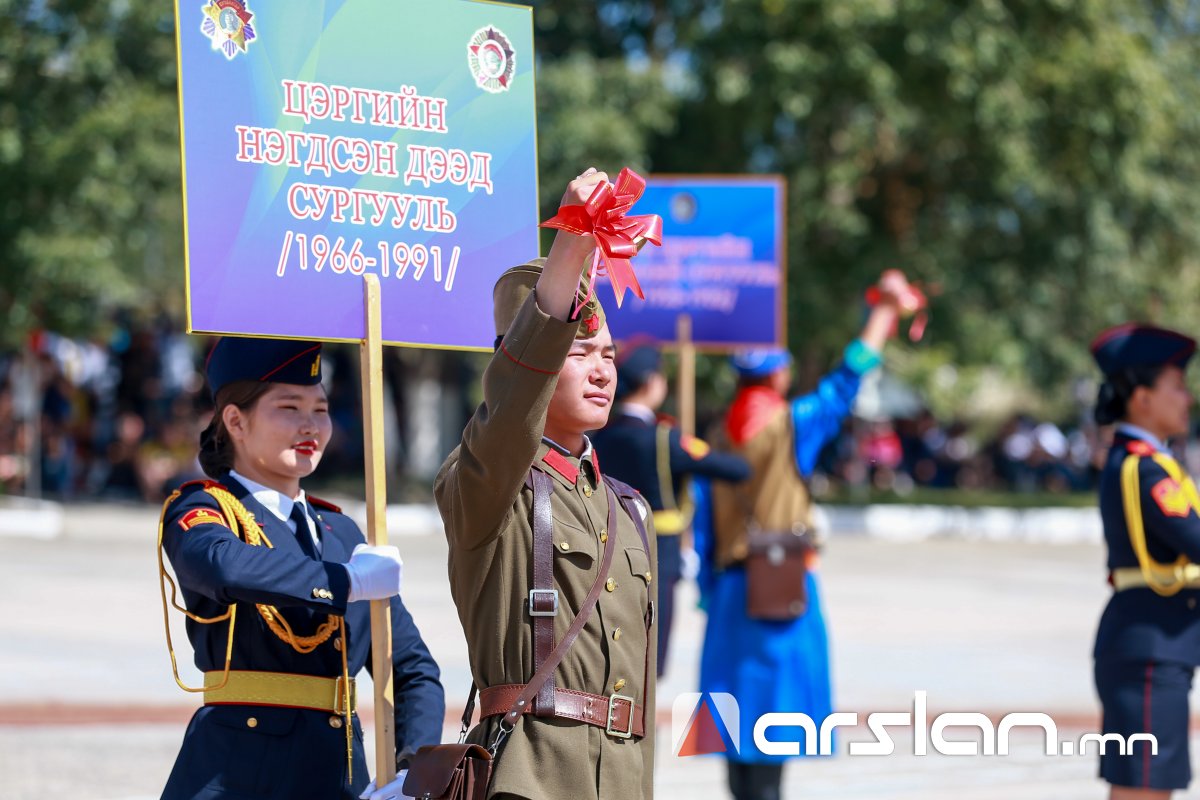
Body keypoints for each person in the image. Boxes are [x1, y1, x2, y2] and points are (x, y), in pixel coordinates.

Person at [434, 168, 657, 800]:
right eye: (578, 354)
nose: (601, 372)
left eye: (608, 355)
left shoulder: (629, 509)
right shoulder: (487, 486)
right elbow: (511, 406)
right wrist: (571, 247)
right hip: (530, 776)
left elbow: (639, 699)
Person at [157, 337, 444, 800]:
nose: (310, 425)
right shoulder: (206, 509)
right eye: (289, 408)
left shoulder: (342, 533)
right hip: (238, 776)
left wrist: (413, 770)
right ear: (236, 421)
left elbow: (410, 667)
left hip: (338, 777)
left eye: (321, 409)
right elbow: (223, 567)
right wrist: (346, 581)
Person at [692, 270, 917, 800]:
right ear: (778, 375)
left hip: (729, 591)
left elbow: (703, 523)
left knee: (735, 721)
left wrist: (705, 590)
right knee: (774, 722)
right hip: (781, 584)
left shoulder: (717, 435)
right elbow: (848, 379)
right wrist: (884, 312)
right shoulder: (792, 423)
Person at [591, 344, 750, 675]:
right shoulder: (665, 438)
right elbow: (735, 470)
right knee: (650, 657)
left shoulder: (598, 436)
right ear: (652, 382)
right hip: (658, 553)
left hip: (606, 549)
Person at [1091, 323, 1200, 800]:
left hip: (1154, 648)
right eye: (1177, 386)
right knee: (1144, 791)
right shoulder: (1144, 467)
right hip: (1151, 651)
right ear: (1142, 399)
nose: (1187, 398)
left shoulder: (1150, 462)